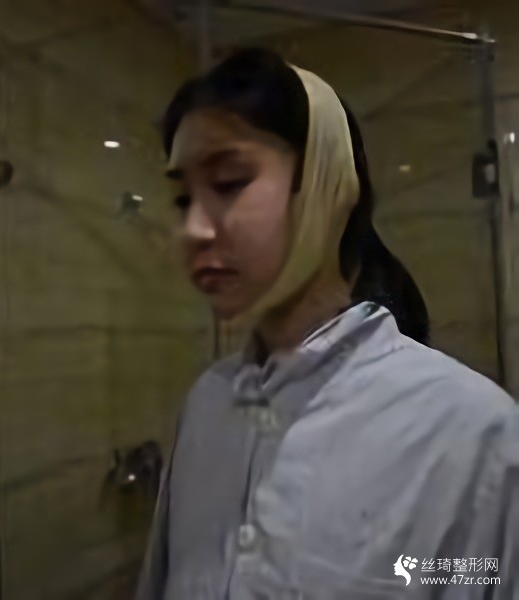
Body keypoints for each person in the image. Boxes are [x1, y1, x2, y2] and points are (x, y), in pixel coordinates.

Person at [136, 48, 518, 599]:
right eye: (181, 198)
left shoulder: (475, 434)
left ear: (326, 187)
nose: (193, 229)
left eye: (229, 182)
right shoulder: (206, 404)